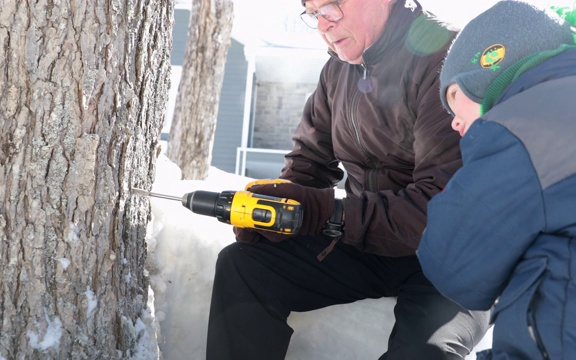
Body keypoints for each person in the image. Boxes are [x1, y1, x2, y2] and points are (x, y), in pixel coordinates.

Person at [206, 0, 491, 359]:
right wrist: (278, 214)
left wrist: (328, 213)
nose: (323, 23)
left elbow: (441, 207)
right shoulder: (337, 71)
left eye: (332, 6)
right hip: (370, 242)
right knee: (245, 265)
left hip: (455, 256)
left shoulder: (446, 59)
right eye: (313, 11)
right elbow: (309, 163)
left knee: (422, 353)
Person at [416, 1, 576, 359]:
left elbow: (454, 262)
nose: (454, 121)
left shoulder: (524, 127)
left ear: (493, 69)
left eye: (456, 98)